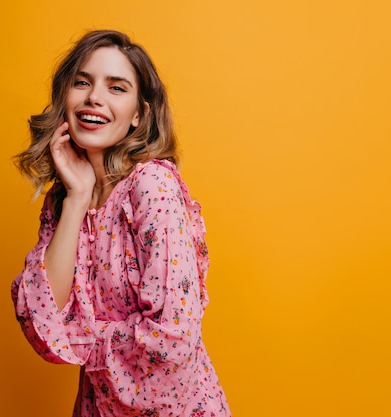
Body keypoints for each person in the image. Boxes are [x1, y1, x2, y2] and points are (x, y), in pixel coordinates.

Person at [12, 30, 231, 417]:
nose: (94, 97)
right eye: (82, 82)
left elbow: (173, 338)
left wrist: (85, 342)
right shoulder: (64, 201)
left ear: (138, 116)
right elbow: (41, 321)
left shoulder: (151, 187)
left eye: (116, 87)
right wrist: (78, 196)